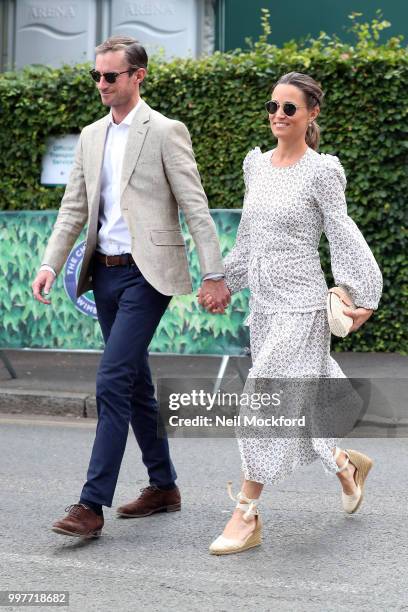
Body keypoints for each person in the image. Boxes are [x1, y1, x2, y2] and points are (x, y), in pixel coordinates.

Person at [32, 35, 230, 538]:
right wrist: (51, 262)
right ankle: (163, 486)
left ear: (137, 76)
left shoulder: (165, 130)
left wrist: (214, 272)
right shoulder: (90, 134)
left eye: (110, 75)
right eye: (96, 75)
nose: (101, 83)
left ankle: (91, 505)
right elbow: (74, 207)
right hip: (105, 274)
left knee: (112, 379)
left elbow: (195, 205)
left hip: (149, 274)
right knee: (136, 383)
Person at [199, 72, 382, 555]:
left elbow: (341, 231)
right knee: (302, 406)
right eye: (273, 106)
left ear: (312, 114)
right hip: (266, 308)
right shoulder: (256, 166)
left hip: (303, 307)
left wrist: (363, 293)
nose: (278, 115)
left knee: (266, 399)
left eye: (290, 108)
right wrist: (225, 282)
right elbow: (251, 238)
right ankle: (346, 466)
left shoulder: (322, 171)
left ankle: (245, 513)